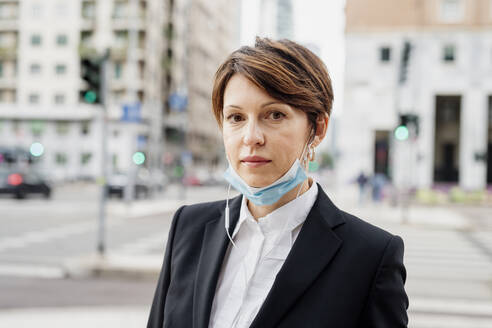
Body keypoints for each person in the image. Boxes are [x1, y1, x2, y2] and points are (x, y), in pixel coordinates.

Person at [147, 38, 408, 328]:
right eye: (236, 117)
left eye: (274, 115)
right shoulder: (189, 227)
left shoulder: (370, 256)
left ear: (318, 128)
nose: (251, 137)